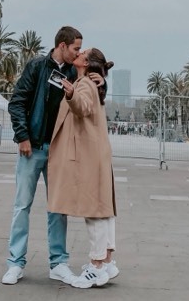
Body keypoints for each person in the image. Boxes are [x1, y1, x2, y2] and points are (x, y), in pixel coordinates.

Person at [2, 26, 83, 286]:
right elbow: (17, 102)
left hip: (58, 151)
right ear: (62, 45)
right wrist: (23, 136)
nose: (78, 53)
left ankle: (58, 263)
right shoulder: (37, 67)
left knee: (58, 208)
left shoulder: (73, 73)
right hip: (33, 147)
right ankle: (15, 263)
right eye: (75, 48)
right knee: (22, 205)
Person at [48, 48, 118, 289]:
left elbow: (84, 107)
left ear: (86, 62)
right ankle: (107, 260)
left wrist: (71, 94)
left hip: (87, 155)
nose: (78, 53)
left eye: (82, 52)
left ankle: (96, 266)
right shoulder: (89, 81)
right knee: (103, 208)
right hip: (96, 152)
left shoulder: (86, 83)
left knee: (94, 211)